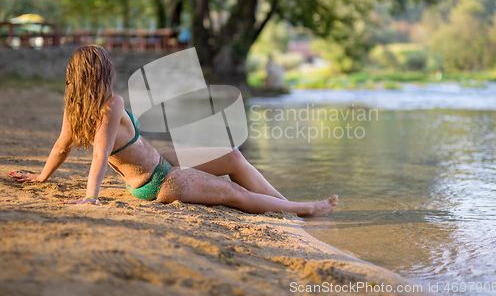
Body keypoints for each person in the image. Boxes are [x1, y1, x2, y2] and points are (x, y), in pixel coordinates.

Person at [9, 45, 338, 217]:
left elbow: (60, 147)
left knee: (233, 156)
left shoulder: (75, 106)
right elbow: (98, 154)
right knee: (236, 195)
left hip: (161, 164)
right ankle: (306, 208)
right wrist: (90, 198)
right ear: (102, 74)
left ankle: (288, 207)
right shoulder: (111, 104)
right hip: (160, 182)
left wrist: (41, 177)